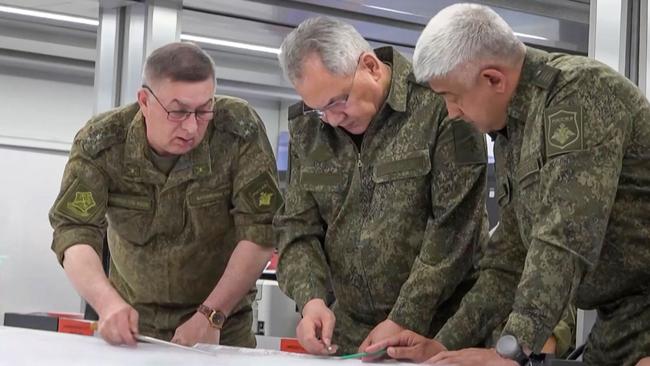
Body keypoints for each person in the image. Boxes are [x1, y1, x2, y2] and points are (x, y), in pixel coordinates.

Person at [365, 4, 650, 366]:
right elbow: (509, 256)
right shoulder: (512, 130)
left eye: (452, 97)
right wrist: (446, 343)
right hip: (620, 323)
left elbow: (565, 235)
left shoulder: (578, 94)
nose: (452, 112)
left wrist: (513, 350)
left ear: (493, 79)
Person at [272, 16, 489, 356]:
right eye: (319, 110)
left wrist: (405, 315)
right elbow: (297, 227)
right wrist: (311, 298)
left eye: (337, 102)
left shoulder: (441, 104)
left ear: (370, 66)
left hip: (439, 333)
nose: (331, 119)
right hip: (350, 338)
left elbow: (455, 232)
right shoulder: (310, 129)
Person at [49, 42, 281, 348]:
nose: (191, 126)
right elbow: (73, 231)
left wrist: (211, 315)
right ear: (145, 101)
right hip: (134, 327)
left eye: (203, 110)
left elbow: (261, 230)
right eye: (178, 111)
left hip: (220, 327)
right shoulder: (102, 142)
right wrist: (107, 304)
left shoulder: (237, 130)